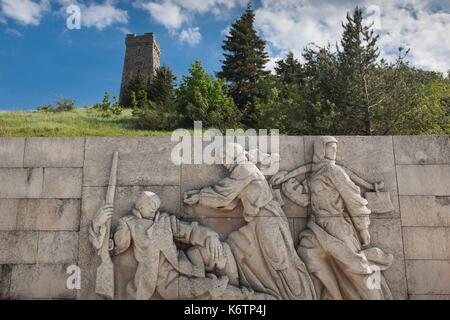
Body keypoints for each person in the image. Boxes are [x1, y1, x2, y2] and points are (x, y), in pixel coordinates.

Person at [184, 143, 316, 300]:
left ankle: (300, 296)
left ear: (233, 155)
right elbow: (230, 201)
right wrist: (202, 200)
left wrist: (199, 196)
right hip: (258, 221)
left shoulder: (244, 168)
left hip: (267, 220)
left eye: (224, 157)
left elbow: (224, 193)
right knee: (236, 245)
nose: (223, 162)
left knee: (280, 262)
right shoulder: (245, 170)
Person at [271, 136, 393, 300]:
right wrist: (289, 190)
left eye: (335, 148)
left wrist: (363, 228)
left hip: (337, 226)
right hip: (317, 226)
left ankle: (375, 296)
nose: (334, 152)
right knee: (307, 254)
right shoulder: (316, 174)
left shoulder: (334, 171)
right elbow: (309, 200)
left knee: (355, 267)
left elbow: (353, 198)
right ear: (320, 150)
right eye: (331, 148)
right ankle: (332, 295)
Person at [90, 191, 272, 300]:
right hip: (164, 282)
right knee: (207, 286)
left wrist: (210, 237)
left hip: (186, 264)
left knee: (220, 250)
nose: (155, 206)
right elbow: (116, 247)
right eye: (151, 203)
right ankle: (248, 297)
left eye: (157, 204)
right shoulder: (128, 223)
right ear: (140, 206)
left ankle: (240, 290)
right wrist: (99, 225)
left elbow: (191, 232)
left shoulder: (165, 221)